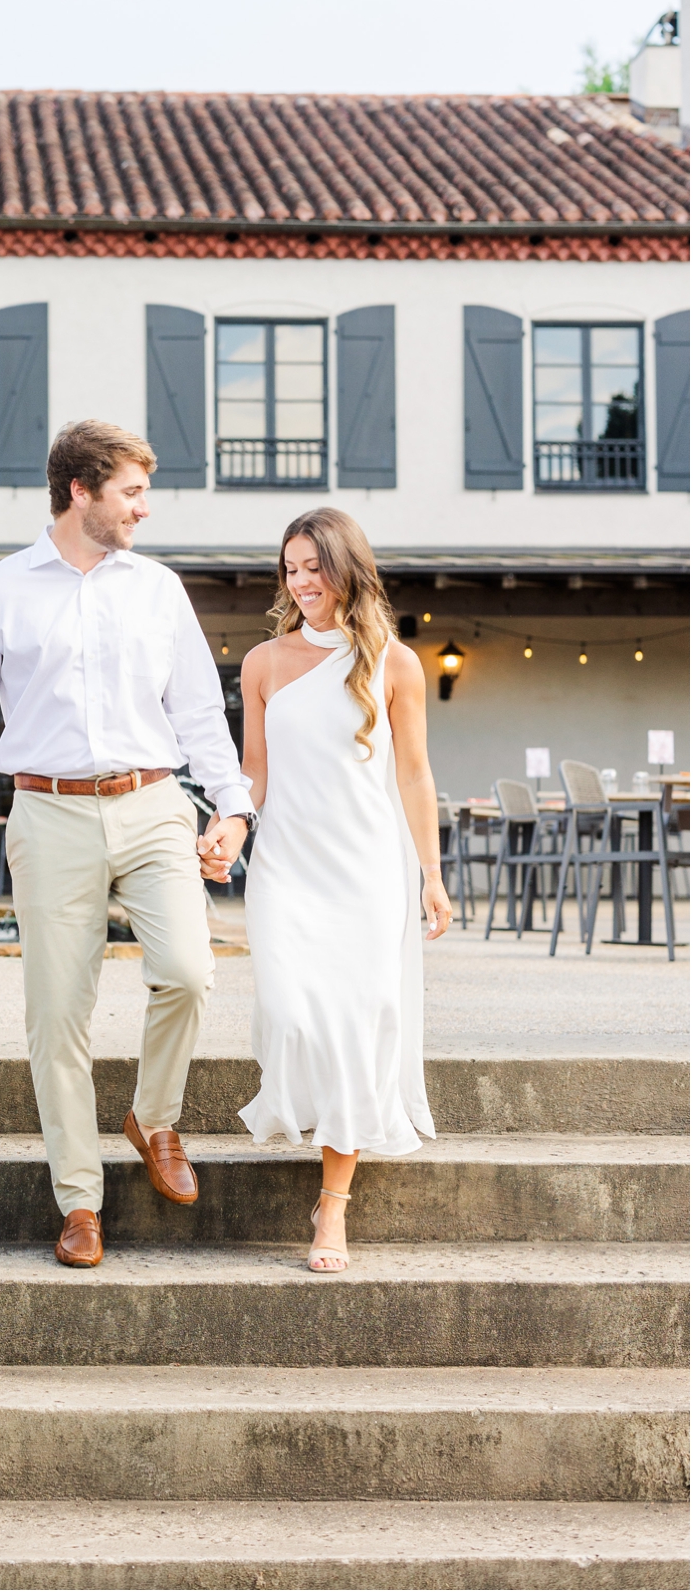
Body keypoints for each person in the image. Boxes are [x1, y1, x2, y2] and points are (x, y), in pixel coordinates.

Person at [0, 419, 255, 1267]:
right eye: (133, 491)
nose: (145, 508)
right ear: (81, 491)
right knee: (56, 1017)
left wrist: (232, 804)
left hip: (155, 803)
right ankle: (79, 1199)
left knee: (188, 968)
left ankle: (153, 1117)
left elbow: (197, 708)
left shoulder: (158, 588)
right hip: (47, 812)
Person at [223, 507, 450, 1273]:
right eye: (290, 567)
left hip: (367, 873)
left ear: (346, 567)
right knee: (290, 1017)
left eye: (314, 566)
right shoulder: (261, 663)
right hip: (287, 867)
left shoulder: (396, 663)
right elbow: (254, 772)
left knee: (356, 1027)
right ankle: (321, 1127)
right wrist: (229, 827)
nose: (301, 581)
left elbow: (415, 773)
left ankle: (333, 1207)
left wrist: (432, 872)